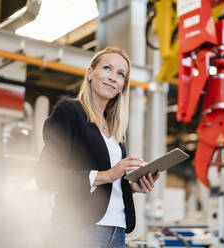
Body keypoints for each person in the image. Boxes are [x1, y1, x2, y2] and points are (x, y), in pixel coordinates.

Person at [35, 47, 160, 248]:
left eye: (121, 74)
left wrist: (129, 188)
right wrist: (108, 175)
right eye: (107, 68)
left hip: (117, 230)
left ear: (122, 86)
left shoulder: (115, 129)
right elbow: (45, 176)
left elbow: (107, 186)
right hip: (80, 229)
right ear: (90, 73)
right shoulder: (69, 112)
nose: (113, 77)